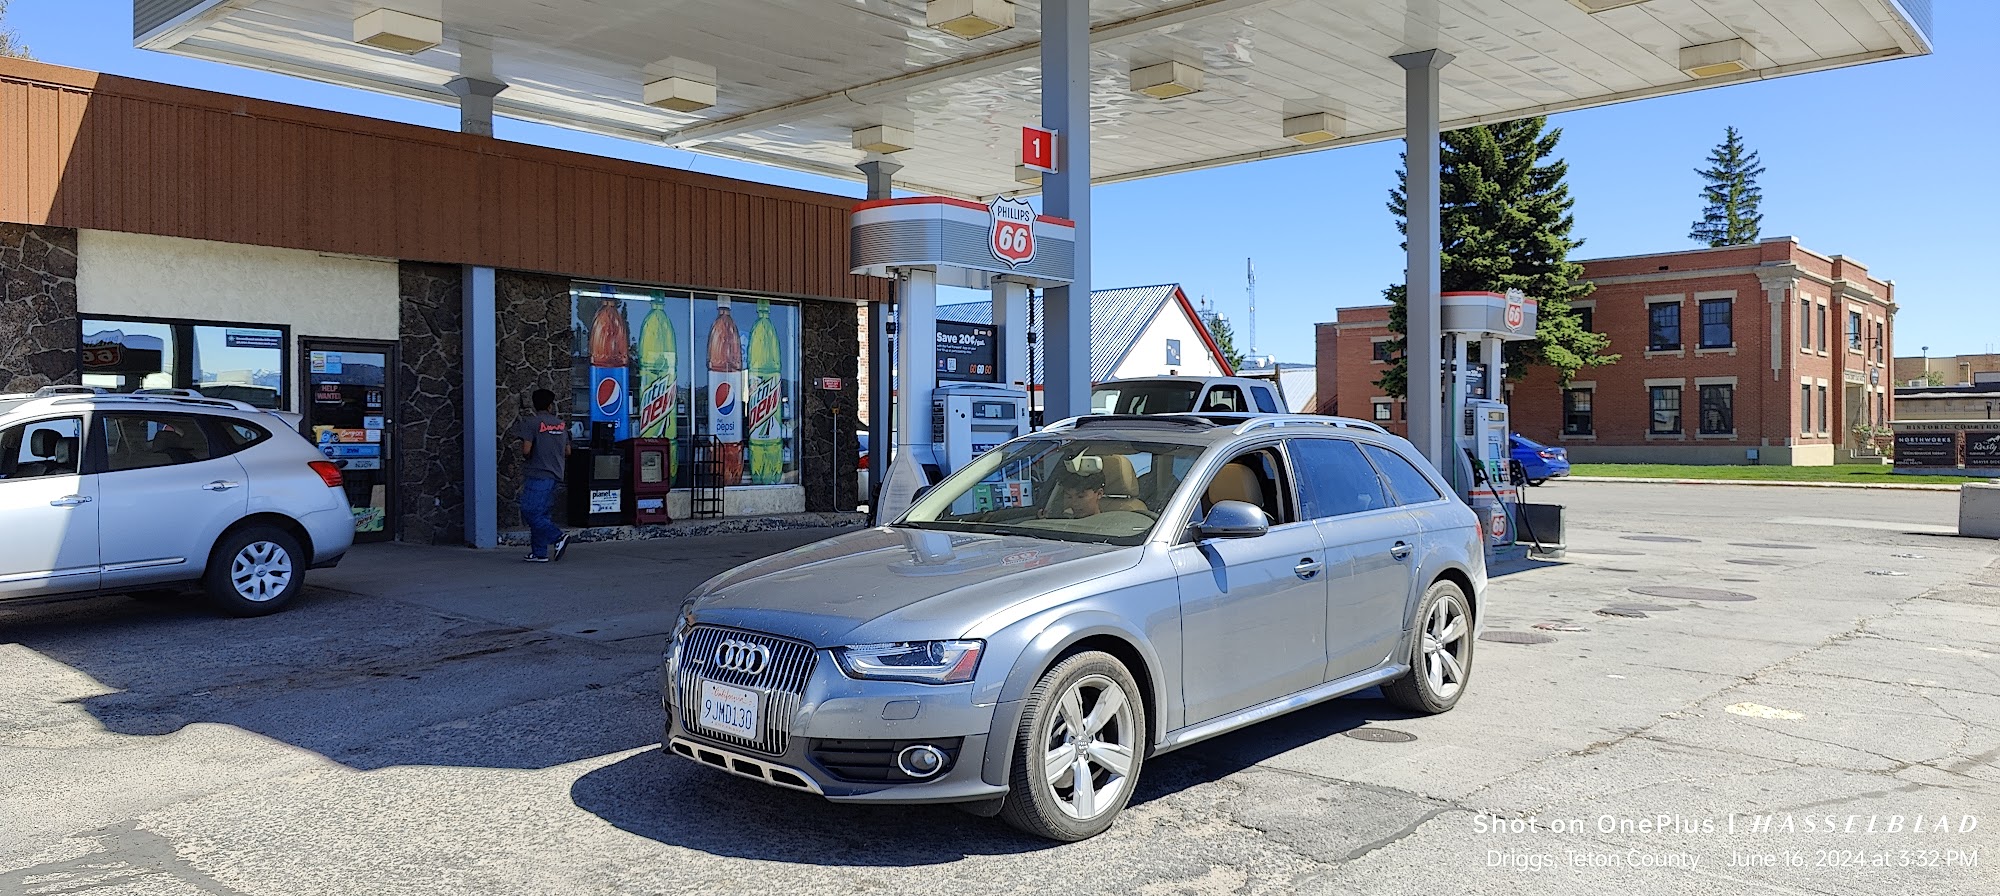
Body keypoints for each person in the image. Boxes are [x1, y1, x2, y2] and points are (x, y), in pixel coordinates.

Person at [509, 388, 571, 562]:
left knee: (529, 510)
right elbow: (568, 451)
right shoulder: (561, 425)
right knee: (542, 514)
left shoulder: (531, 423)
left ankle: (558, 537)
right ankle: (539, 553)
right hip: (556, 474)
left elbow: (526, 450)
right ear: (550, 406)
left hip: (538, 473)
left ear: (535, 405)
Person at [1041, 465, 1106, 520]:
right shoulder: (1061, 521)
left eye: (1080, 497)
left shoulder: (1108, 526)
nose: (1074, 503)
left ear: (1099, 494)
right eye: (1069, 497)